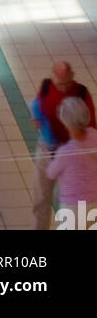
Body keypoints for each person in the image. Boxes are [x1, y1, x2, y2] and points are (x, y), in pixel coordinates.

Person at [31, 61, 96, 229]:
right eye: (60, 84)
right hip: (47, 147)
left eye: (67, 83)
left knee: (66, 197)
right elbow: (37, 110)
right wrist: (37, 121)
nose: (64, 88)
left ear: (72, 77)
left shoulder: (81, 92)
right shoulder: (46, 86)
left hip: (67, 152)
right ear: (53, 79)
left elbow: (91, 125)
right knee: (41, 198)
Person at [45, 97, 97, 227]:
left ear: (65, 122)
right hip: (94, 201)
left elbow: (51, 173)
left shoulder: (66, 151)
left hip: (72, 207)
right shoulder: (94, 135)